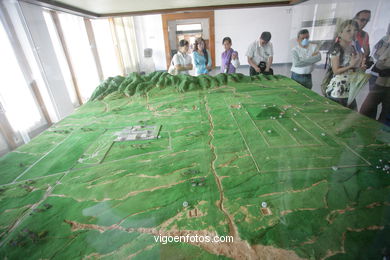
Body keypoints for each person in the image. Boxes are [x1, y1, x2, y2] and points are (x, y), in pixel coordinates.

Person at [325, 20, 365, 110]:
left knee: (351, 114)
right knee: (337, 115)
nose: (353, 33)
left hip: (350, 87)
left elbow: (354, 67)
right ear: (340, 33)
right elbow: (336, 71)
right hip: (339, 89)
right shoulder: (337, 49)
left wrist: (359, 68)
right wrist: (351, 65)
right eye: (349, 31)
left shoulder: (353, 48)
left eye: (355, 30)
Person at [360, 24, 390, 123]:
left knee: (386, 115)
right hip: (379, 79)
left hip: (384, 79)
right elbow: (377, 56)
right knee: (367, 110)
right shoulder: (385, 39)